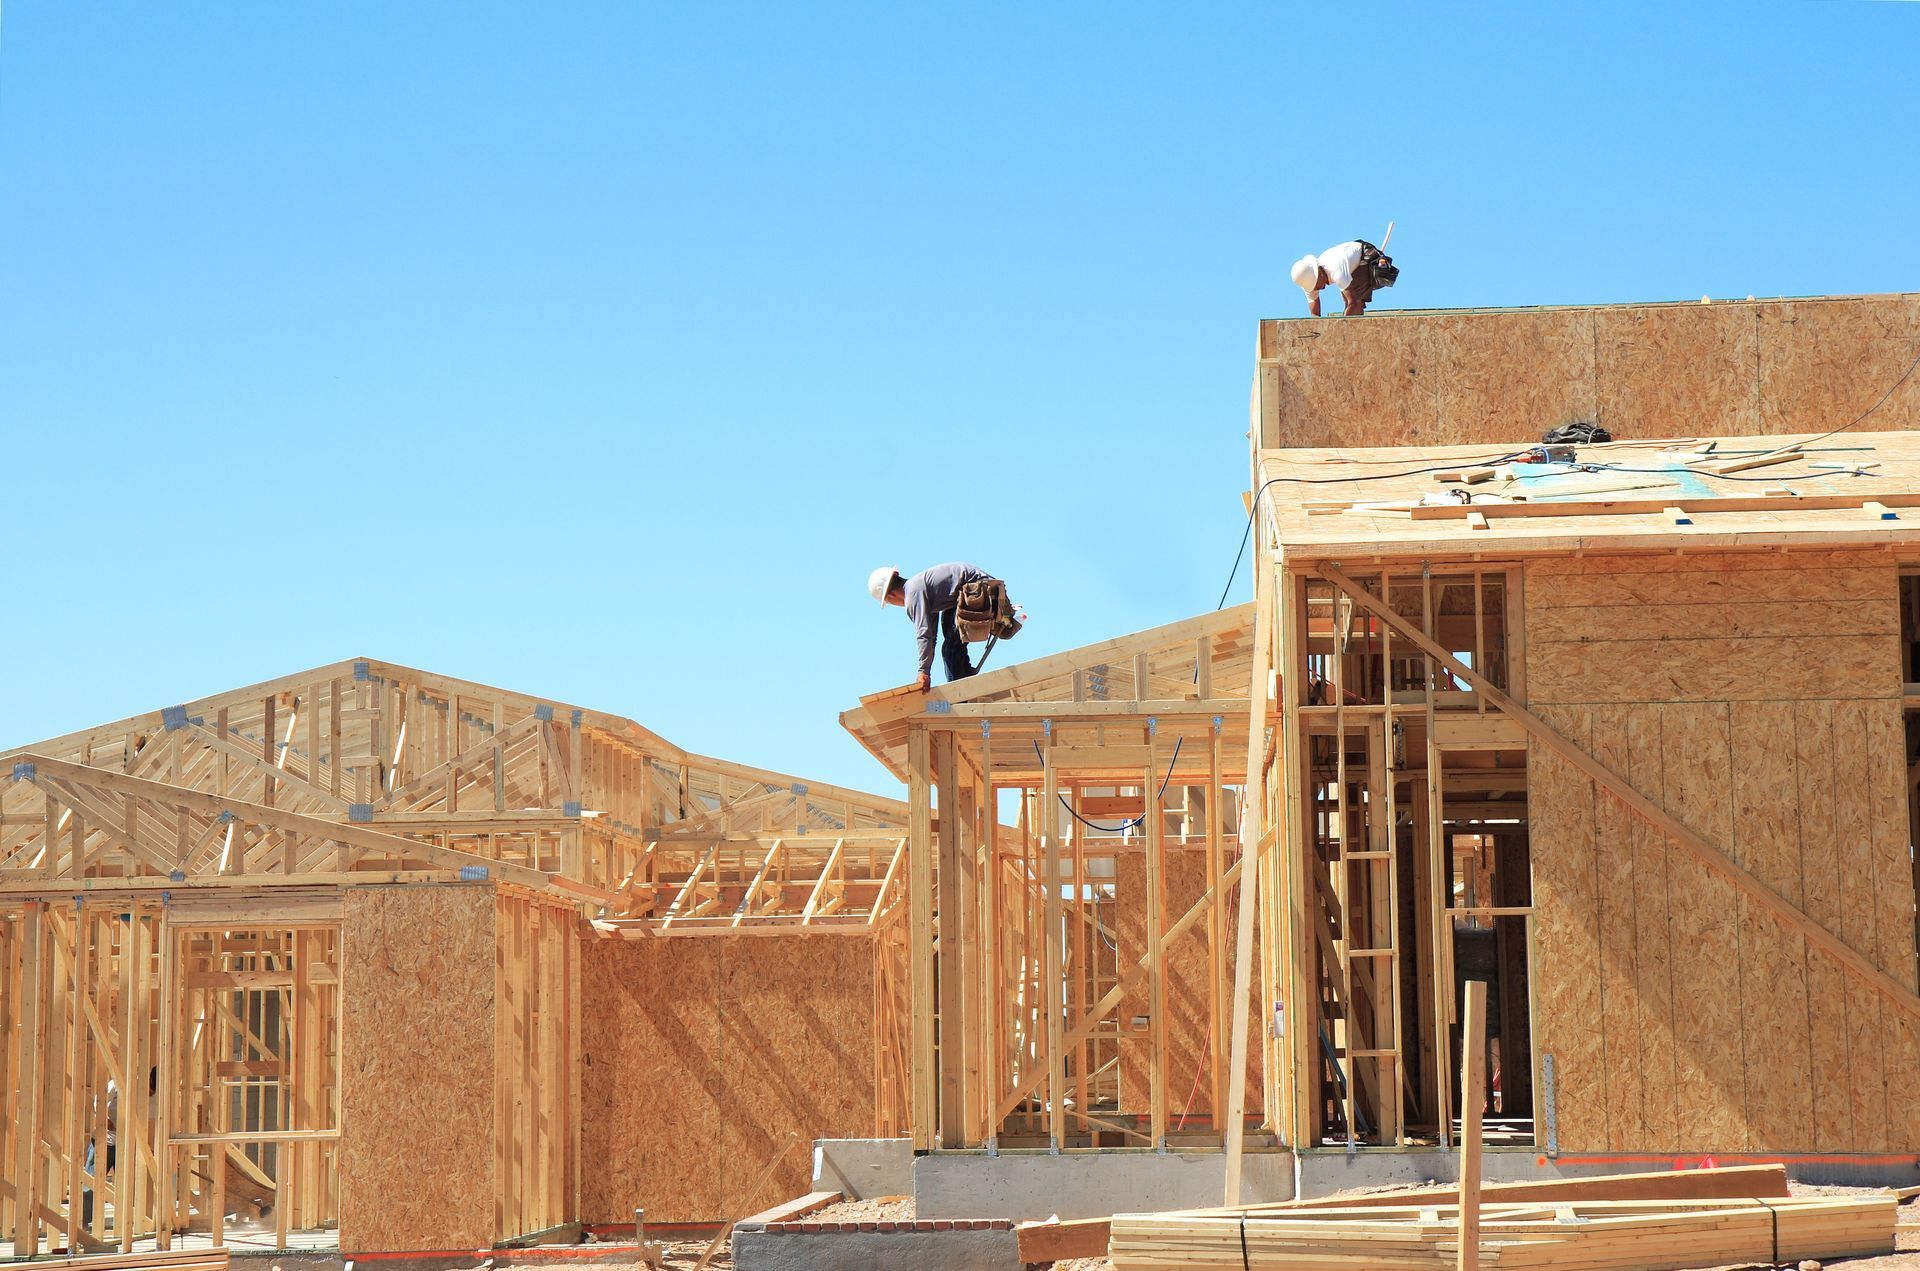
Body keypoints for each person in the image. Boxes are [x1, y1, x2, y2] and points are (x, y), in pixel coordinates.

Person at [867, 562, 1000, 691]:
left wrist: (923, 671)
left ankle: (961, 694)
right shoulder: (920, 589)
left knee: (950, 649)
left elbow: (923, 634)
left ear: (891, 596)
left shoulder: (913, 595)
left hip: (980, 590)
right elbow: (930, 635)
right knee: (949, 630)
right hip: (979, 588)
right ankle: (964, 679)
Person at [1290, 240, 1397, 316]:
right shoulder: (1306, 280)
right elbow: (1314, 314)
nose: (1320, 289)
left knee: (1354, 301)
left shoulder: (1336, 271)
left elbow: (1353, 302)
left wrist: (1341, 329)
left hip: (1366, 257)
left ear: (1319, 274)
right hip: (1350, 260)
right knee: (1349, 302)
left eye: (1317, 285)